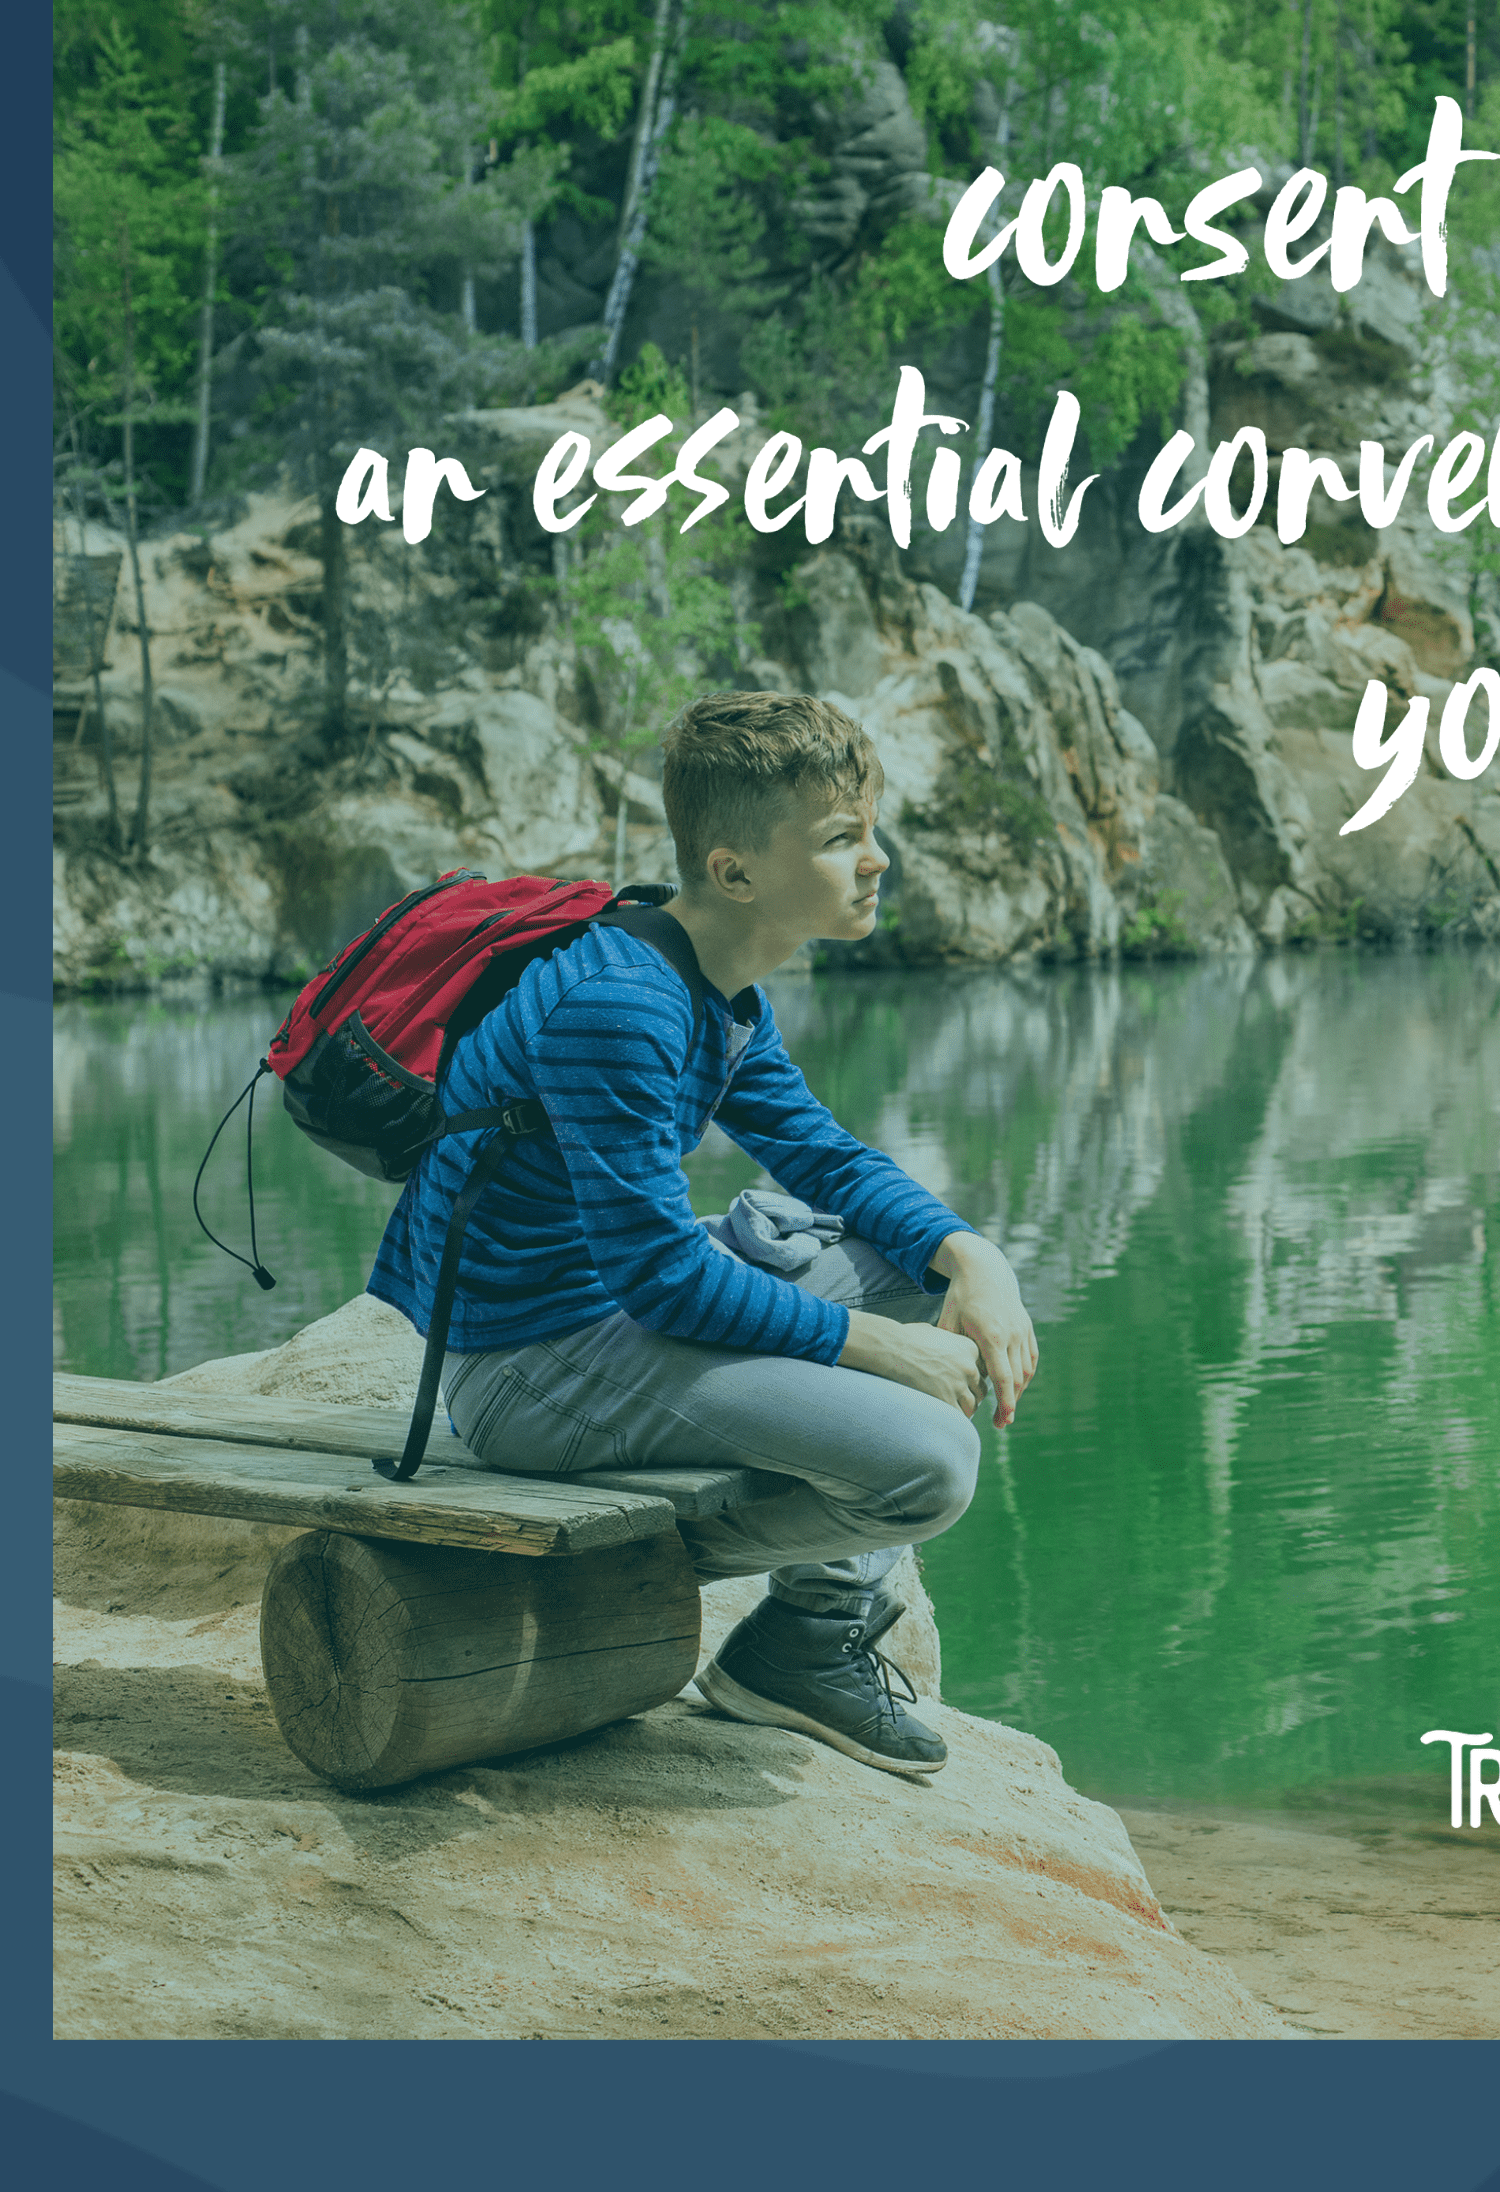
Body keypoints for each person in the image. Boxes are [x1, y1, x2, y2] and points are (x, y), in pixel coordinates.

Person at [366, 693, 1038, 1777]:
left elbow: (826, 1158)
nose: (875, 861)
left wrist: (975, 1258)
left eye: (870, 830)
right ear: (734, 873)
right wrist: (876, 1348)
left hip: (617, 1307)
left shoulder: (713, 984)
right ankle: (605, 1568)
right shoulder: (619, 1005)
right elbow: (664, 1278)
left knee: (913, 1271)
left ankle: (799, 1646)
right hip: (534, 1362)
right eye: (838, 839)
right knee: (928, 1465)